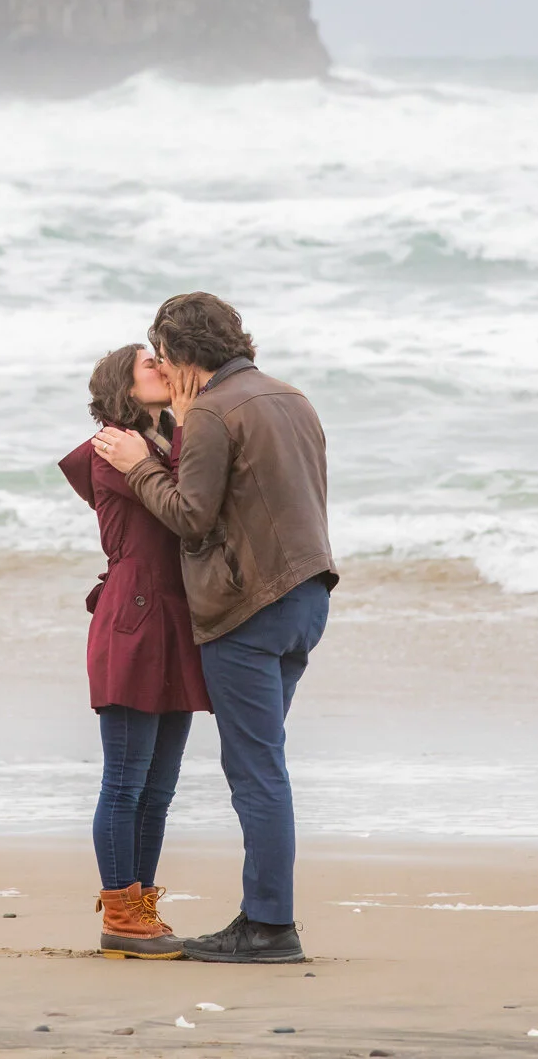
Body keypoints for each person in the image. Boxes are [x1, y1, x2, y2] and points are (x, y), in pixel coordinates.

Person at [92, 293, 336, 965]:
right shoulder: (292, 398)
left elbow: (193, 517)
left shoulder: (210, 413)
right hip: (309, 599)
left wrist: (139, 464)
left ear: (184, 353)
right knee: (266, 764)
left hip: (249, 611)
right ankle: (263, 916)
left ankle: (268, 924)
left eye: (164, 355)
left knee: (256, 771)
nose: (163, 369)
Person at [59, 344, 213, 960]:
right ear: (122, 385)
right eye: (150, 364)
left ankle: (143, 905)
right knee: (125, 781)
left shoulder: (166, 440)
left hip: (175, 621)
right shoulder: (111, 447)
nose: (164, 367)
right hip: (132, 619)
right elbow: (182, 512)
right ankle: (120, 917)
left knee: (160, 787)